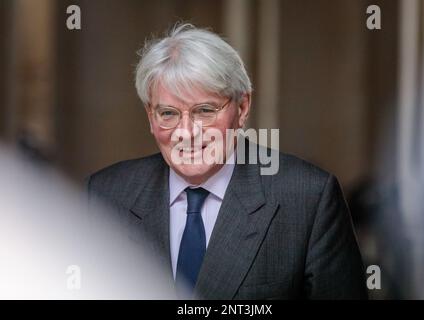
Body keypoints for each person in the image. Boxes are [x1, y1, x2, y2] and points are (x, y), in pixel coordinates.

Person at [86, 23, 367, 299]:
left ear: (242, 108)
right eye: (168, 114)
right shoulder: (106, 195)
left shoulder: (307, 198)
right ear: (150, 116)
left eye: (205, 111)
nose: (187, 133)